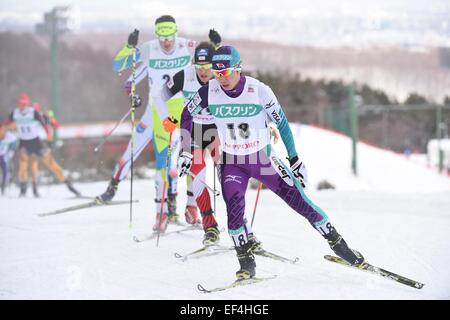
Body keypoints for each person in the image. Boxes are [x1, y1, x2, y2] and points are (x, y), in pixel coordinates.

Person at [179, 46, 364, 280]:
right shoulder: (209, 91)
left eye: (225, 72)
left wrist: (294, 159)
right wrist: (187, 150)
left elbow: (283, 124)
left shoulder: (259, 90)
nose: (220, 78)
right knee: (234, 214)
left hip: (262, 159)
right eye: (216, 73)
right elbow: (186, 116)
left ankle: (339, 246)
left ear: (238, 68)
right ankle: (246, 264)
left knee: (300, 203)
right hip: (231, 162)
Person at [97, 14, 221, 231]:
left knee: (192, 159)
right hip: (160, 109)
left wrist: (216, 45)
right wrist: (128, 47)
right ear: (157, 35)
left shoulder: (186, 45)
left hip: (186, 110)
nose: (166, 42)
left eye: (170, 36)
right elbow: (118, 66)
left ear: (175, 32)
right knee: (162, 162)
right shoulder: (148, 48)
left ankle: (191, 206)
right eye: (162, 37)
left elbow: (213, 60)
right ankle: (161, 213)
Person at [155, 41, 222, 243]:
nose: (204, 72)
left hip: (218, 132)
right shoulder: (186, 76)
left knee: (228, 177)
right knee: (198, 173)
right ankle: (207, 223)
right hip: (193, 130)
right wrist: (166, 118)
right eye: (200, 67)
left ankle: (241, 225)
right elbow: (159, 97)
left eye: (208, 67)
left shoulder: (222, 77)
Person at [4, 94, 80, 197]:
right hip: (23, 143)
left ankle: (69, 186)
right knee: (23, 166)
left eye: (24, 104)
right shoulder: (15, 113)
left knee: (51, 163)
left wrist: (49, 133)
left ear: (27, 104)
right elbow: (6, 123)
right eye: (21, 104)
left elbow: (47, 122)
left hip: (36, 143)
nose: (22, 106)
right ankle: (23, 189)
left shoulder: (33, 113)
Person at [0, 121, 17, 195]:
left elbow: (15, 142)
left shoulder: (9, 136)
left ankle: (3, 188)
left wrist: (11, 151)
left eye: (4, 130)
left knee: (5, 172)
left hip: (3, 156)